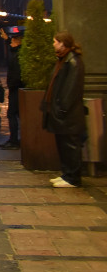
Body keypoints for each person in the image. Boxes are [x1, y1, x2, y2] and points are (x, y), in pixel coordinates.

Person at [42, 32, 86, 188]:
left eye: (55, 41)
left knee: (71, 145)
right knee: (63, 144)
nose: (53, 44)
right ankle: (67, 174)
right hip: (61, 111)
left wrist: (62, 109)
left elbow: (71, 89)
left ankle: (73, 178)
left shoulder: (73, 61)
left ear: (62, 43)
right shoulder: (63, 59)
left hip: (68, 113)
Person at [0, 26, 24, 150]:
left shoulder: (19, 56)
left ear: (18, 42)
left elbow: (18, 73)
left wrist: (12, 85)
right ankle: (17, 139)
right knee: (18, 115)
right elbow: (12, 48)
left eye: (13, 40)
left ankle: (14, 140)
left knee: (12, 114)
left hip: (16, 88)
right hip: (16, 88)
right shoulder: (18, 52)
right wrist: (7, 39)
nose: (11, 43)